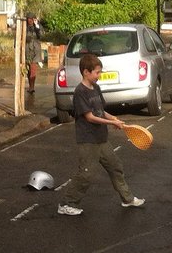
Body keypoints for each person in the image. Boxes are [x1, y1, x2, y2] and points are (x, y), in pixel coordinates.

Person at [58, 52, 145, 216]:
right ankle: (66, 204)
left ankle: (127, 199)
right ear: (86, 72)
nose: (99, 75)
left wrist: (113, 118)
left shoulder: (95, 88)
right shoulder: (80, 92)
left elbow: (100, 111)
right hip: (88, 140)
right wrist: (112, 123)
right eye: (97, 72)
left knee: (115, 168)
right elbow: (90, 117)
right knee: (86, 174)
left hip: (101, 139)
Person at [25, 14, 43, 94]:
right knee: (28, 70)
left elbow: (41, 35)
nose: (30, 20)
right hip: (26, 50)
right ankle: (30, 85)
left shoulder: (38, 27)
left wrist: (37, 26)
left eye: (31, 19)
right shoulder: (24, 27)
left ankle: (32, 87)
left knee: (33, 69)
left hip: (35, 51)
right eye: (28, 19)